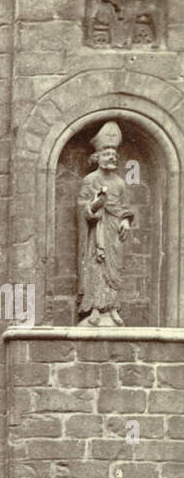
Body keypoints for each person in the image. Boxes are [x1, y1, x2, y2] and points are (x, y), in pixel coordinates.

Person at [77, 120, 135, 327]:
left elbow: (125, 207)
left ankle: (111, 308)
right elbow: (83, 204)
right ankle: (93, 308)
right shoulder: (90, 180)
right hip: (97, 229)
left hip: (114, 230)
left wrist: (126, 221)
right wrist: (94, 205)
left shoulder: (120, 183)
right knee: (95, 265)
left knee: (113, 269)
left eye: (114, 155)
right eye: (107, 154)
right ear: (98, 157)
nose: (111, 157)